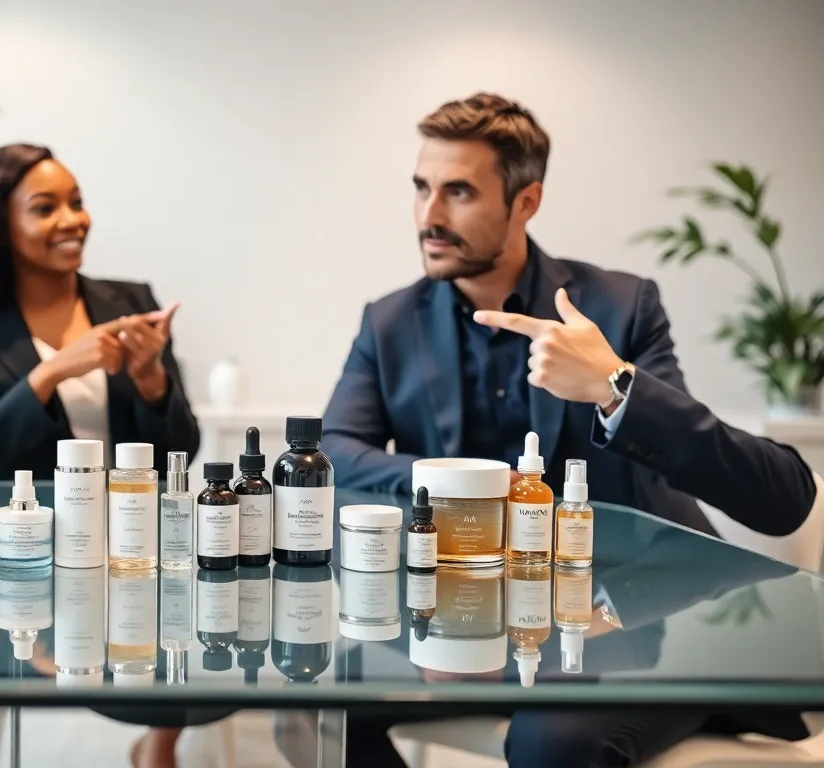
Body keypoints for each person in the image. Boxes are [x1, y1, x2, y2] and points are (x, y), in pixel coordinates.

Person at [325, 92, 819, 767]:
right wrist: (464, 484)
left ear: (525, 202)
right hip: (471, 621)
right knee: (325, 706)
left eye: (459, 192)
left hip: (634, 624)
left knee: (548, 746)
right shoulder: (387, 323)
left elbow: (785, 500)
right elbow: (334, 451)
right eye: (421, 188)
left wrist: (616, 386)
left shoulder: (621, 307)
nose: (429, 216)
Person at [0, 143, 200, 475]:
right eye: (45, 209)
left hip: (129, 522)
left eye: (76, 203)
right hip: (25, 525)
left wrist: (152, 383)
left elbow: (182, 451)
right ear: (1, 228)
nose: (72, 221)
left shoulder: (133, 304)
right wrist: (50, 373)